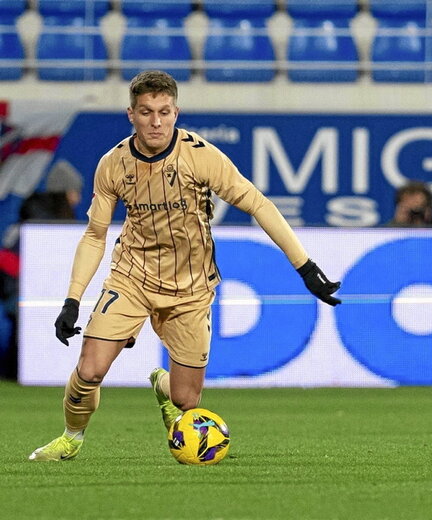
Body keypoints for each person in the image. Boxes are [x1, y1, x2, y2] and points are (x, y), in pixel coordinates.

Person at [29, 70, 341, 461]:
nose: (155, 122)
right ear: (131, 114)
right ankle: (71, 437)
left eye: (163, 112)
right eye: (146, 112)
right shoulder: (113, 164)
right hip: (132, 278)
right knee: (90, 369)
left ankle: (164, 390)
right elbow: (95, 235)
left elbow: (258, 204)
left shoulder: (201, 156)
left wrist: (305, 267)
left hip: (192, 288)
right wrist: (72, 300)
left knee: (186, 399)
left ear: (176, 112)